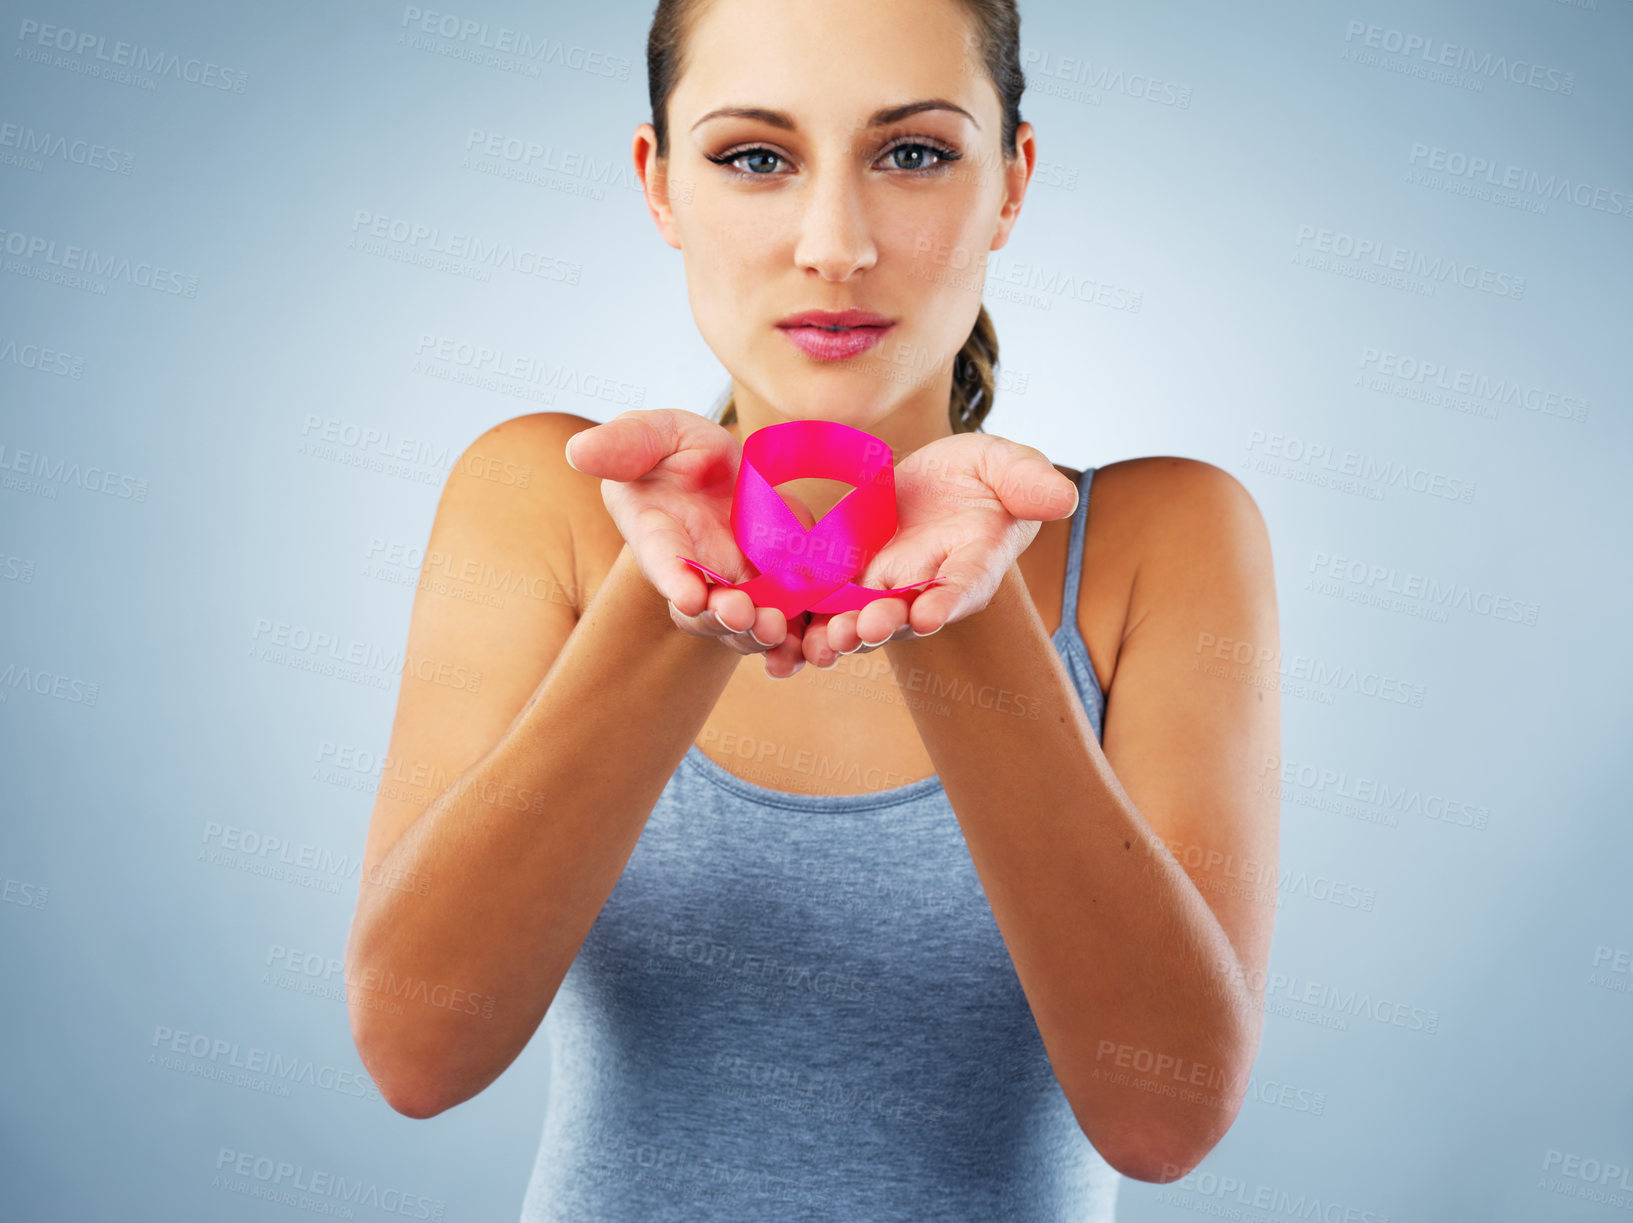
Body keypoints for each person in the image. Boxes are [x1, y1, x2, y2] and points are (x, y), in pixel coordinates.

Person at [344, 0, 1281, 1217]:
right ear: (661, 183)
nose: (834, 244)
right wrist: (674, 599)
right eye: (754, 158)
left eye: (912, 153)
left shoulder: (1165, 538)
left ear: (1010, 181)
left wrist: (955, 596)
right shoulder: (549, 500)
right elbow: (418, 1053)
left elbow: (1164, 1118)